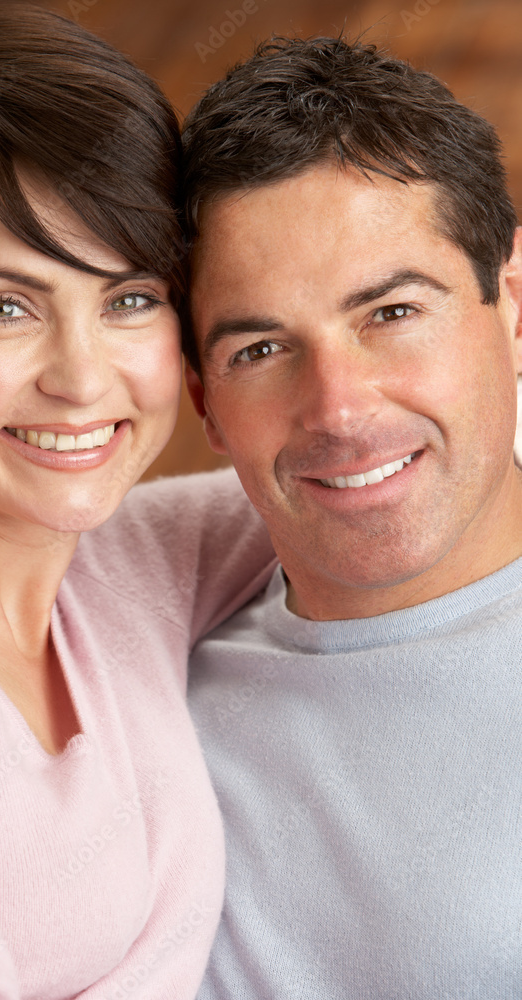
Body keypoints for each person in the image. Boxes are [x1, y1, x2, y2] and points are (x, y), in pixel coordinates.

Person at [0, 7, 275, 997]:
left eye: (129, 296)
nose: (82, 379)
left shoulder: (129, 562)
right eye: (3, 306)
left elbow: (357, 463)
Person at [183, 36, 522, 999]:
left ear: (510, 302)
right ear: (202, 402)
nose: (338, 409)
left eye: (391, 312)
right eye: (258, 349)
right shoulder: (137, 668)